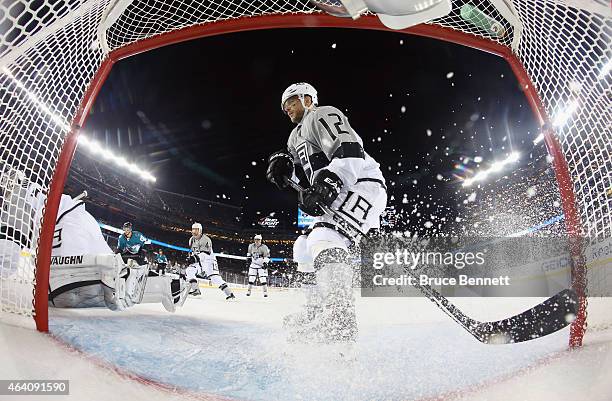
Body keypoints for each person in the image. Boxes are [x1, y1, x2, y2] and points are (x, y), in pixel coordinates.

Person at [266, 82, 387, 343]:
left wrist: (330, 183)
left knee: (324, 236)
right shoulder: (294, 137)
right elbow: (304, 177)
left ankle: (340, 315)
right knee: (305, 246)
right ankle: (317, 308)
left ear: (308, 99)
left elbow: (351, 149)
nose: (287, 107)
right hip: (343, 190)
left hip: (359, 183)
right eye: (284, 105)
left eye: (292, 101)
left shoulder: (321, 114)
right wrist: (284, 168)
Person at [186, 222, 235, 299]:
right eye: (193, 229)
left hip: (209, 260)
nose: (194, 231)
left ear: (200, 231)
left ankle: (229, 294)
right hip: (198, 260)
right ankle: (196, 290)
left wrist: (194, 258)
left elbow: (205, 254)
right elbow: (194, 251)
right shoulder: (191, 240)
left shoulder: (206, 239)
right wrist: (191, 258)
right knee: (189, 270)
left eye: (196, 230)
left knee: (215, 278)